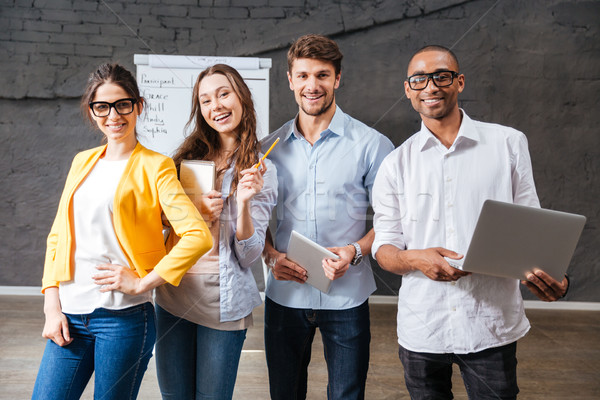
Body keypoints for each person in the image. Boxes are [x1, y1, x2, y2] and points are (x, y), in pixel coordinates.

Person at [372, 45, 570, 399]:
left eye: (441, 76)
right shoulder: (395, 165)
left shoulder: (508, 143)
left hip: (490, 326)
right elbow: (384, 248)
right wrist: (415, 259)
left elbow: (532, 227)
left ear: (459, 82)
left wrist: (554, 277)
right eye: (419, 79)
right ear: (408, 90)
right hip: (422, 328)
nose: (430, 86)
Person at [32, 63, 212, 400]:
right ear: (92, 111)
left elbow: (197, 235)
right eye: (102, 106)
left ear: (138, 106)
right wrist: (51, 307)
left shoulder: (155, 165)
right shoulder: (82, 161)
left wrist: (144, 282)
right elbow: (57, 236)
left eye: (122, 104)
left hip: (123, 318)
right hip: (69, 313)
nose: (113, 115)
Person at [261, 34, 394, 400]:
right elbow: (253, 221)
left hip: (347, 298)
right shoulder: (266, 149)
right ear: (290, 81)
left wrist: (354, 250)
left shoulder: (373, 145)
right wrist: (271, 256)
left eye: (322, 75)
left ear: (337, 79)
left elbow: (392, 219)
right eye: (303, 75)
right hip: (285, 297)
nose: (312, 85)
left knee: (347, 396)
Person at [153, 64, 277, 400]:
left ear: (241, 98)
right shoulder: (183, 160)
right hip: (172, 296)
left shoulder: (261, 168)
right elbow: (159, 223)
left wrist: (245, 202)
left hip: (223, 303)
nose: (216, 106)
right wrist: (192, 213)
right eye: (206, 100)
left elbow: (249, 256)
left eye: (223, 94)